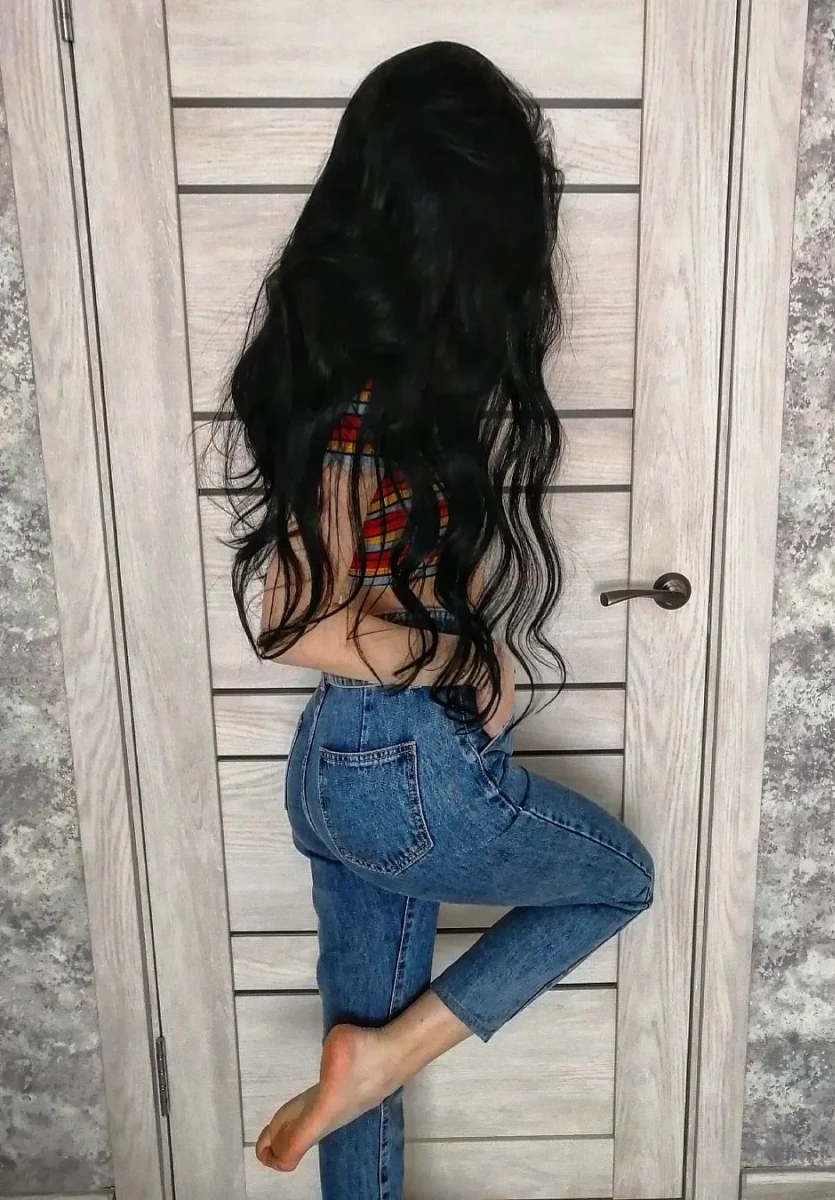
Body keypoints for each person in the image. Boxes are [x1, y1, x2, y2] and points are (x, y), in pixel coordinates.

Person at [214, 39, 655, 1199]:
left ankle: (368, 1068)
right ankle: (385, 1058)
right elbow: (293, 621)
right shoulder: (366, 403)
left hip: (338, 765)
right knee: (619, 880)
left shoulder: (340, 372)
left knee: (353, 1064)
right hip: (399, 767)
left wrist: (468, 657)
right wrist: (466, 659)